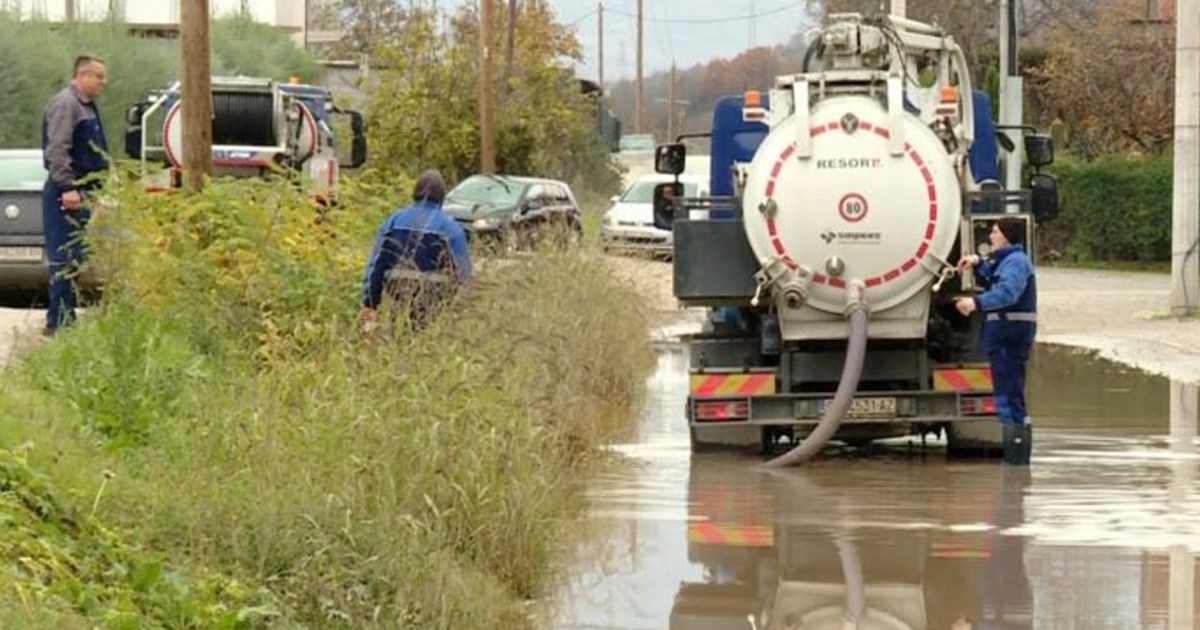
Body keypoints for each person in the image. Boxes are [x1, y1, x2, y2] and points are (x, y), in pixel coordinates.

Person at [956, 217, 1036, 464]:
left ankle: (1015, 465)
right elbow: (992, 272)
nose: (990, 236)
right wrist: (977, 262)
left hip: (1009, 337)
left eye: (995, 232)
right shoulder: (1010, 260)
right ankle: (1017, 470)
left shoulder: (1016, 263)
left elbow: (1007, 292)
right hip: (1005, 336)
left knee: (1009, 401)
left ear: (1007, 236)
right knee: (1011, 398)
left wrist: (975, 303)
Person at [42, 55, 109, 335]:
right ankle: (60, 323)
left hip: (84, 192)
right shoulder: (66, 104)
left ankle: (64, 319)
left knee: (74, 257)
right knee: (63, 257)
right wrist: (68, 187)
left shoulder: (86, 106)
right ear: (82, 75)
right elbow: (57, 149)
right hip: (68, 193)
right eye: (99, 77)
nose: (103, 83)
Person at [359, 170, 473, 332]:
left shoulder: (393, 220)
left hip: (398, 293)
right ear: (441, 198)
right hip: (436, 297)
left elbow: (376, 265)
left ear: (415, 193)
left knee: (399, 333)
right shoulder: (451, 227)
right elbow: (464, 272)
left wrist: (369, 302)